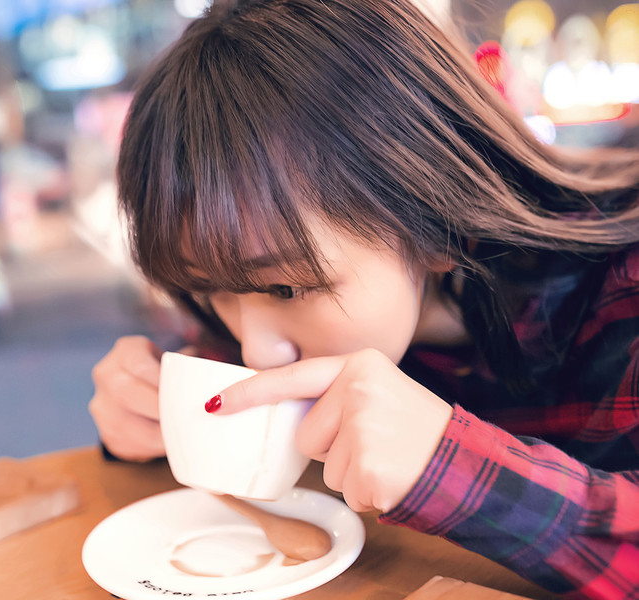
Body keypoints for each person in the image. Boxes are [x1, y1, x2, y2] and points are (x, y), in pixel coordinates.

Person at [88, 0, 639, 597]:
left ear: (434, 214)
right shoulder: (284, 312)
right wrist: (141, 410)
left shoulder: (620, 289)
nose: (256, 349)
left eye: (285, 287)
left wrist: (451, 465)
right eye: (212, 288)